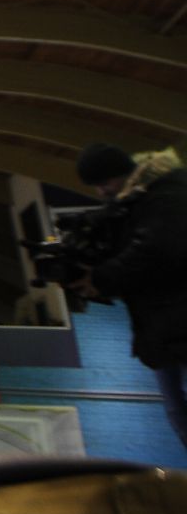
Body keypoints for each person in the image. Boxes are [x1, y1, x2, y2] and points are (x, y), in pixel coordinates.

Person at [72, 144, 187, 451]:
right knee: (176, 410)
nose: (101, 192)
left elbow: (156, 252)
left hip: (176, 323)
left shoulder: (168, 194)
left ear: (120, 175)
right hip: (165, 328)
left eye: (103, 184)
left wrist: (101, 278)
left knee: (178, 409)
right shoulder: (137, 201)